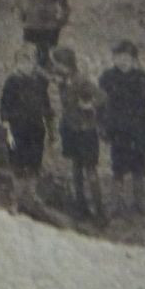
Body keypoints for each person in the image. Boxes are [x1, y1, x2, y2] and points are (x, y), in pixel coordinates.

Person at [98, 40, 145, 216]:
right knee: (118, 166)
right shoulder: (107, 78)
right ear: (113, 59)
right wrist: (102, 125)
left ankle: (140, 203)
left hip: (139, 129)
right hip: (118, 130)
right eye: (118, 58)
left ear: (134, 60)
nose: (122, 62)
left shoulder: (141, 77)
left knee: (139, 166)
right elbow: (99, 102)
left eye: (127, 58)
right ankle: (116, 204)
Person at [55, 46, 106, 223]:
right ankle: (81, 206)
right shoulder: (63, 81)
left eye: (58, 65)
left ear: (67, 65)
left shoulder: (82, 80)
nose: (56, 69)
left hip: (86, 131)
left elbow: (102, 97)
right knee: (76, 169)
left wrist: (89, 105)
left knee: (90, 170)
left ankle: (100, 212)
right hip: (71, 130)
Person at [0, 47, 54, 196]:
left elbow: (46, 106)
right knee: (17, 164)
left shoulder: (40, 81)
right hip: (17, 129)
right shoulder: (12, 82)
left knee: (34, 163)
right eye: (21, 62)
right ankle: (16, 198)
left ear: (35, 63)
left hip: (36, 128)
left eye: (29, 61)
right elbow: (4, 107)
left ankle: (32, 195)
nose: (25, 65)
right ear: (16, 64)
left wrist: (51, 130)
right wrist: (8, 131)